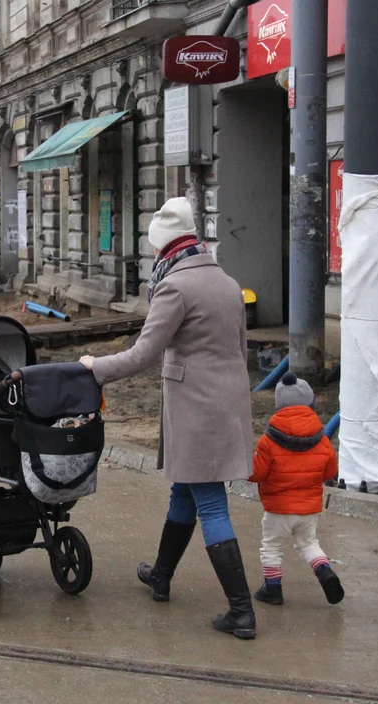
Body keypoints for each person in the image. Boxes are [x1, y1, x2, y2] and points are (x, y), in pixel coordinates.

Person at [79, 197, 257, 640]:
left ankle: (241, 611)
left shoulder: (175, 287)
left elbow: (144, 354)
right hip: (225, 403)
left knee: (211, 503)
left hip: (198, 409)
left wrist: (94, 368)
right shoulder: (227, 282)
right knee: (184, 490)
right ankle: (161, 575)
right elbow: (242, 349)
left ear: (163, 247)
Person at [249, 372, 344, 606]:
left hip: (278, 509)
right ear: (310, 404)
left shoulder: (268, 440)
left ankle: (272, 589)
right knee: (309, 544)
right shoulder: (322, 439)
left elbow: (256, 474)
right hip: (309, 509)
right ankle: (324, 570)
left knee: (272, 546)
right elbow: (330, 471)